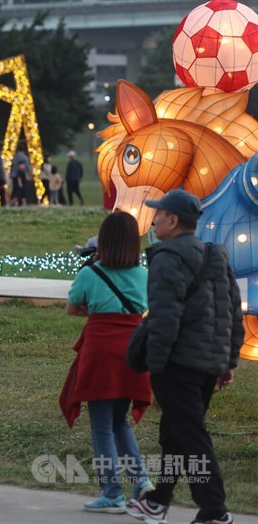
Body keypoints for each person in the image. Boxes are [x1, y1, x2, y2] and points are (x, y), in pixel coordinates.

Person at [126, 189, 243, 524]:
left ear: (173, 220)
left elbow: (165, 318)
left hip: (178, 363)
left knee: (191, 436)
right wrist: (228, 361)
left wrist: (155, 368)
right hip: (208, 364)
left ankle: (214, 511)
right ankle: (158, 500)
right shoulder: (215, 256)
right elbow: (233, 311)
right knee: (175, 433)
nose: (154, 220)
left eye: (159, 214)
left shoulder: (167, 258)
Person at [60, 212, 155, 514]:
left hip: (100, 353)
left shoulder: (90, 274)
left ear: (103, 241)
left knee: (101, 425)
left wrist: (97, 310)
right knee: (119, 420)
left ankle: (112, 492)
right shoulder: (143, 274)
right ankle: (140, 480)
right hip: (133, 352)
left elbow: (72, 308)